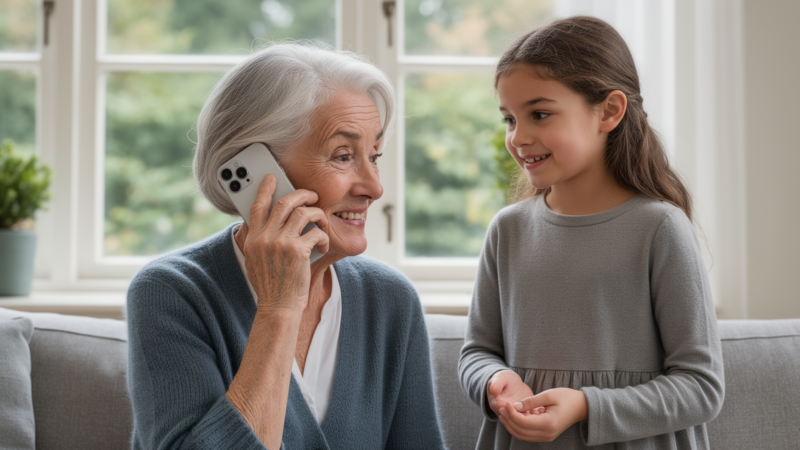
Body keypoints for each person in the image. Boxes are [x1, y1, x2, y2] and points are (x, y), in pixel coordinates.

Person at [126, 44, 445, 450]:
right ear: (264, 174)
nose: (374, 187)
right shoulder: (170, 294)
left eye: (375, 155)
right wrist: (278, 310)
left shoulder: (390, 300)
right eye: (344, 156)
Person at [458, 16, 724, 449]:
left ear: (610, 111)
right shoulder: (507, 230)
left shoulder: (659, 228)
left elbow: (701, 387)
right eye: (509, 119)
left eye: (539, 114)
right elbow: (476, 353)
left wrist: (585, 406)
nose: (518, 137)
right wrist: (495, 380)